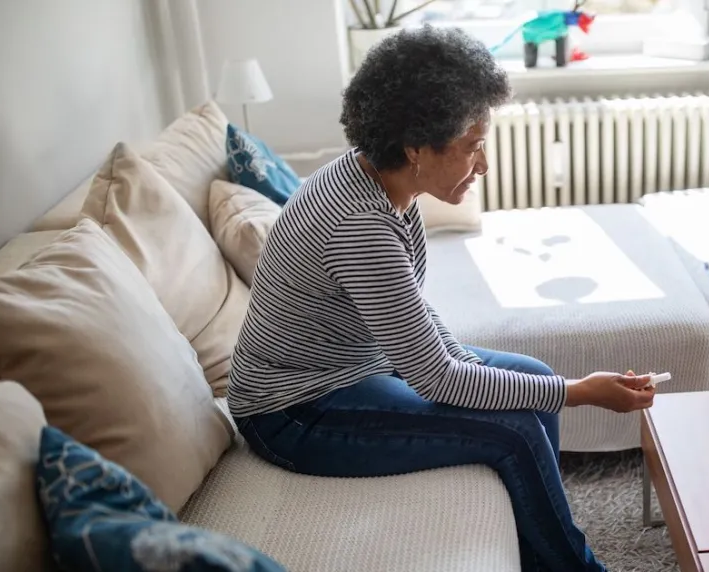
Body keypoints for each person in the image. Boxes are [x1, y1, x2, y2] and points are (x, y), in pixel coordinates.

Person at [225, 25, 655, 572]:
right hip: (292, 412)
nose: (485, 165)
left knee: (531, 374)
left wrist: (477, 363)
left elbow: (415, 316)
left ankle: (541, 558)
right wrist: (580, 392)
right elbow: (437, 379)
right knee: (516, 428)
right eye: (474, 147)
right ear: (416, 147)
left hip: (357, 369)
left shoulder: (381, 183)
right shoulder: (361, 226)